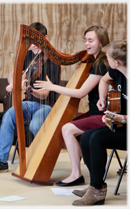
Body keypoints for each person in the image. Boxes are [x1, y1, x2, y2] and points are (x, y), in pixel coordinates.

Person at [34, 25, 110, 186]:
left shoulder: (101, 64)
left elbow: (81, 93)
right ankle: (92, 163)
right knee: (65, 125)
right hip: (95, 112)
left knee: (67, 128)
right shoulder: (94, 61)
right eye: (85, 40)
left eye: (91, 40)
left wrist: (52, 87)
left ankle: (76, 174)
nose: (87, 44)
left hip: (103, 115)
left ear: (101, 42)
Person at [0, 22, 61, 174]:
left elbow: (45, 94)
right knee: (8, 116)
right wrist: (14, 83)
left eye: (36, 42)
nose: (33, 46)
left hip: (47, 105)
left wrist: (28, 88)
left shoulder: (53, 62)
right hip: (29, 103)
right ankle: (1, 161)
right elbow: (12, 73)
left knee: (34, 126)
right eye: (30, 42)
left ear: (45, 38)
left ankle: (40, 160)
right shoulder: (30, 56)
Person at [72, 40, 127, 206]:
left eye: (108, 58)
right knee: (87, 136)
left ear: (116, 62)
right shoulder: (116, 71)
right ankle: (95, 186)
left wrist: (121, 118)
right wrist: (103, 98)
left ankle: (97, 191)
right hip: (123, 125)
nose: (106, 61)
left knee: (97, 138)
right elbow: (103, 80)